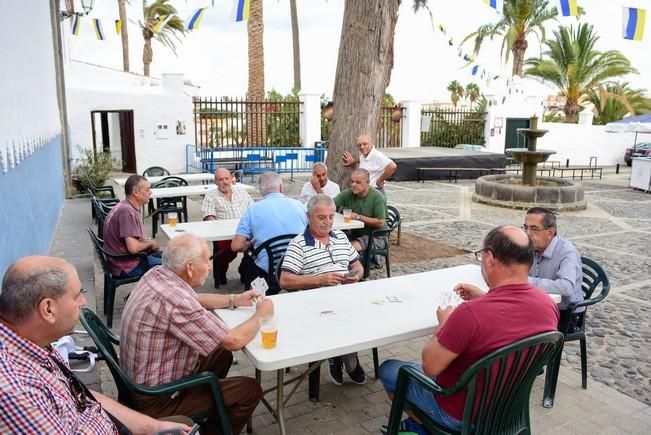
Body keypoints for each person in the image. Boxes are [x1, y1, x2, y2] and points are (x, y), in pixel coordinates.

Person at [379, 226, 559, 432]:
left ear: (490, 258)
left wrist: (444, 324)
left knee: (390, 369)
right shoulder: (547, 305)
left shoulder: (469, 314)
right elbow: (511, 315)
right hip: (509, 411)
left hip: (460, 415)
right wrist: (485, 297)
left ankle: (424, 426)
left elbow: (430, 366)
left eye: (481, 254)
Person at [0, 256, 190, 434]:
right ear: (48, 309)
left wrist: (152, 427)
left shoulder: (32, 341)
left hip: (111, 424)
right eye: (76, 296)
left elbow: (79, 394)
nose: (83, 302)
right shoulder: (14, 389)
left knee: (182, 425)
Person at [120, 234, 274, 435]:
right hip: (157, 400)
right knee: (249, 390)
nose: (210, 266)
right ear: (190, 268)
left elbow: (195, 299)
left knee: (221, 353)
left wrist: (235, 299)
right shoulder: (176, 301)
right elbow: (233, 341)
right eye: (207, 261)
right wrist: (261, 314)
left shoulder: (158, 274)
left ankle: (208, 406)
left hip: (138, 382)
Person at [279, 194, 365, 385]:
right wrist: (320, 280)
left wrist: (355, 276)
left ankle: (339, 355)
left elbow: (358, 266)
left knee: (369, 312)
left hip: (347, 295)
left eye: (331, 217)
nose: (327, 222)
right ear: (308, 217)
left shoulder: (341, 237)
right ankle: (346, 359)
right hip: (316, 303)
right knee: (340, 316)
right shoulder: (298, 244)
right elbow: (284, 280)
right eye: (321, 217)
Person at [231, 171, 308, 293]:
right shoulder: (300, 206)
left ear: (261, 191)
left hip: (266, 271)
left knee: (249, 261)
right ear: (281, 187)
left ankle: (258, 296)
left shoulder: (252, 210)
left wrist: (249, 244)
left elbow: (236, 246)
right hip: (298, 266)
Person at [524, 207, 583, 329]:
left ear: (550, 233)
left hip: (565, 313)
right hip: (539, 305)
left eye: (534, 229)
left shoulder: (567, 252)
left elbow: (566, 287)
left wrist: (526, 281)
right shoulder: (531, 246)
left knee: (518, 324)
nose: (528, 233)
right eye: (526, 227)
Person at [201, 167, 254, 287]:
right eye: (220, 179)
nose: (224, 182)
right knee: (226, 251)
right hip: (224, 234)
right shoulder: (211, 195)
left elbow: (253, 210)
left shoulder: (241, 192)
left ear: (231, 179)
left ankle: (244, 270)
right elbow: (209, 216)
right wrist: (217, 227)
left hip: (245, 231)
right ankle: (220, 273)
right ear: (215, 182)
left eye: (226, 178)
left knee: (258, 246)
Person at [103, 174, 161, 277]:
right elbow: (133, 248)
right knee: (173, 267)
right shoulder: (127, 212)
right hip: (126, 266)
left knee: (170, 257)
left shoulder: (125, 206)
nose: (150, 192)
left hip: (122, 260)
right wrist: (151, 243)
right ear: (136, 192)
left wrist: (147, 243)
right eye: (147, 190)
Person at [334, 168, 387, 255]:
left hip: (376, 236)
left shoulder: (377, 197)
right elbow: (329, 204)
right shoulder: (348, 194)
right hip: (355, 233)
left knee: (347, 249)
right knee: (333, 241)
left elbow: (380, 222)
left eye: (358, 182)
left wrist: (358, 217)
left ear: (368, 182)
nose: (354, 185)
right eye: (352, 181)